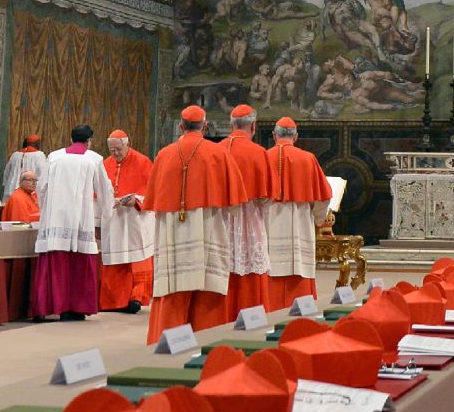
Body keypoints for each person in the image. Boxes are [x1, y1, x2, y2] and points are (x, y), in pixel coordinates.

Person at [141, 106, 249, 344]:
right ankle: (206, 341)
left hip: (172, 232)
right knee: (206, 289)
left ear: (180, 126)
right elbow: (234, 204)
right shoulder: (218, 154)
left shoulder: (164, 154)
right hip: (208, 228)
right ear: (205, 125)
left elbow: (153, 202)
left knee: (173, 289)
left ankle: (166, 342)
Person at [32, 125, 114, 322]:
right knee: (79, 264)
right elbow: (104, 190)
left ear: (71, 138)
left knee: (54, 261)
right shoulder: (94, 159)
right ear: (89, 141)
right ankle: (74, 308)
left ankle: (45, 306)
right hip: (80, 219)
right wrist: (105, 215)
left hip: (55, 219)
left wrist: (46, 212)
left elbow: (41, 187)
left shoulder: (54, 157)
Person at [264, 117, 332, 310]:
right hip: (300, 227)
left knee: (271, 272)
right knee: (299, 272)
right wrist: (318, 219)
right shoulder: (307, 158)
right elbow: (323, 197)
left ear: (274, 136)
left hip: (270, 225)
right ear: (296, 137)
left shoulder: (264, 157)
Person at [222, 105, 276, 319]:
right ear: (253, 126)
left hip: (221, 218)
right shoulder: (258, 152)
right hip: (250, 217)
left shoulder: (218, 149)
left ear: (230, 124)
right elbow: (268, 195)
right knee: (250, 266)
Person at [99, 130, 154, 314]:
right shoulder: (105, 164)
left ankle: (135, 297)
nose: (115, 153)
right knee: (114, 261)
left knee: (137, 260)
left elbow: (152, 188)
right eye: (112, 150)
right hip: (114, 221)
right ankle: (114, 300)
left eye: (118, 149)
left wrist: (136, 200)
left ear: (127, 144)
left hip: (135, 219)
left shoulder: (143, 162)